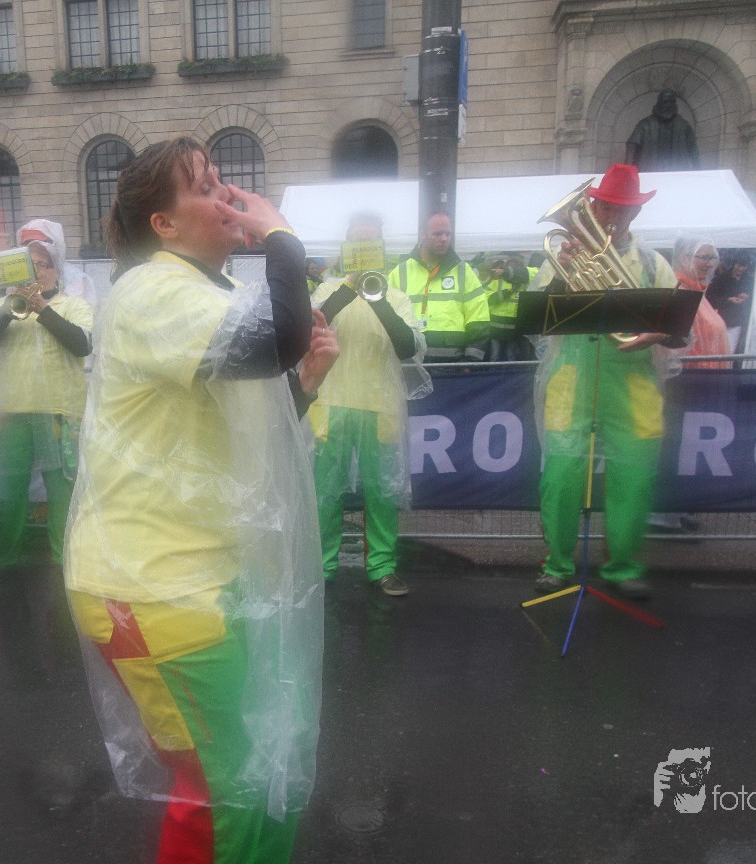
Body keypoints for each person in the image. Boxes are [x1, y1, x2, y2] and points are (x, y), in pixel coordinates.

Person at [64, 137, 338, 864]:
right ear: (164, 224)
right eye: (206, 187)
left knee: (246, 776)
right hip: (155, 585)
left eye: (225, 183)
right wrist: (279, 234)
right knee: (233, 789)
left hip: (196, 581)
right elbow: (277, 337)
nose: (227, 198)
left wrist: (305, 387)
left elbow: (244, 440)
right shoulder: (152, 290)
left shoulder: (203, 296)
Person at [531, 164, 681, 601]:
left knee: (633, 480)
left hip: (632, 386)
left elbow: (680, 329)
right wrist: (560, 272)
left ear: (635, 213)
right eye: (605, 207)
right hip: (572, 382)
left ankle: (623, 566)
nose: (612, 216)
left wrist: (659, 333)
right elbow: (536, 316)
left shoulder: (653, 263)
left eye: (622, 209)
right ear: (592, 206)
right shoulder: (565, 255)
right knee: (560, 479)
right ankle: (557, 564)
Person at [310, 211, 428, 597]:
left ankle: (382, 566)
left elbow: (409, 347)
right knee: (325, 492)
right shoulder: (326, 291)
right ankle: (321, 567)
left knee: (382, 492)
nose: (364, 248)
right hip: (330, 404)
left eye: (371, 243)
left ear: (381, 249)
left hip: (380, 406)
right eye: (358, 242)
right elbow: (311, 327)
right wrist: (350, 287)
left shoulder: (397, 297)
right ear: (347, 248)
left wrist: (376, 297)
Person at [0, 219, 93, 569]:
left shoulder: (74, 304)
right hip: (13, 411)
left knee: (61, 490)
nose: (36, 271)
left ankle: (64, 561)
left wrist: (42, 307)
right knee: (9, 490)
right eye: (28, 265)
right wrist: (10, 305)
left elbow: (82, 344)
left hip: (60, 412)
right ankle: (3, 559)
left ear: (56, 270)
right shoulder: (3, 306)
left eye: (42, 264)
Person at [388, 211, 490, 361]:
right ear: (422, 234)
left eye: (448, 234)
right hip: (411, 365)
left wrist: (471, 361)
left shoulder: (464, 271)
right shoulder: (399, 272)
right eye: (437, 234)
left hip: (454, 366)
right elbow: (388, 318)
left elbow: (478, 317)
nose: (444, 239)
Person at [672, 237, 729, 369]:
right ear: (684, 258)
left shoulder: (695, 292)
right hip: (696, 377)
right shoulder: (679, 294)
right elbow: (674, 349)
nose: (710, 264)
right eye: (705, 258)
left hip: (707, 375)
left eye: (712, 258)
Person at [472, 251, 535, 361]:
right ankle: (493, 371)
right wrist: (507, 292)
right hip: (495, 330)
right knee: (495, 356)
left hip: (513, 331)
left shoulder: (525, 285)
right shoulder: (496, 282)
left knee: (510, 356)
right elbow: (488, 300)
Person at [625, 89, 700, 171]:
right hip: (650, 172)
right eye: (665, 102)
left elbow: (693, 150)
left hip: (677, 173)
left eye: (672, 102)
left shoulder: (684, 126)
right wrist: (628, 171)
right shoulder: (645, 125)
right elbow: (632, 146)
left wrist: (697, 172)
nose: (668, 105)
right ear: (659, 103)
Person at [705, 251, 753, 352]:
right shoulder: (721, 279)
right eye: (738, 265)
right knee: (714, 350)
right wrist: (728, 299)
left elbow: (753, 300)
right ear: (734, 263)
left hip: (737, 322)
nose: (740, 269)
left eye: (743, 266)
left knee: (730, 350)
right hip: (720, 320)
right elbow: (709, 298)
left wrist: (746, 298)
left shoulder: (749, 281)